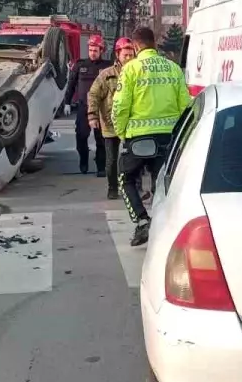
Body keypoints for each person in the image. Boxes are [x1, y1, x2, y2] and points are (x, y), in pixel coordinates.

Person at [111, 26, 191, 246]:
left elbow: (120, 106)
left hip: (138, 138)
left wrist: (121, 133)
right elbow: (185, 105)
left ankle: (142, 221)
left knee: (126, 179)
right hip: (168, 138)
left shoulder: (130, 69)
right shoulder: (173, 68)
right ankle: (164, 224)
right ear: (154, 43)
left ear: (136, 46)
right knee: (162, 184)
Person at [88, 37, 135, 200]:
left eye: (131, 55)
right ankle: (112, 188)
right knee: (112, 159)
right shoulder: (106, 75)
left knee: (134, 158)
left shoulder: (138, 73)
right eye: (126, 55)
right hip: (110, 123)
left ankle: (134, 188)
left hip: (132, 123)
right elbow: (93, 94)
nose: (129, 59)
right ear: (118, 55)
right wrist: (92, 116)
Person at [64, 34, 111, 174]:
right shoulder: (80, 65)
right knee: (81, 136)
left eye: (95, 50)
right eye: (90, 50)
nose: (92, 53)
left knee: (101, 139)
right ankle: (83, 160)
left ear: (101, 51)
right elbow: (71, 85)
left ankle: (101, 166)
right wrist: (67, 102)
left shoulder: (107, 66)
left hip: (102, 109)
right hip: (83, 107)